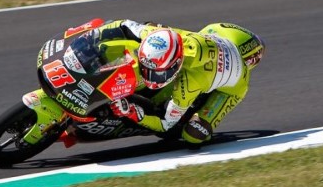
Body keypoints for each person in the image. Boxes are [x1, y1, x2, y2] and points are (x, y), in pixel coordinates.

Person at [96, 19, 265, 145]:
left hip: (234, 84)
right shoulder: (164, 37)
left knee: (194, 134)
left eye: (156, 74)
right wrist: (98, 33)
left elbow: (165, 124)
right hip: (215, 35)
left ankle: (200, 116)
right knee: (149, 24)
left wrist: (133, 113)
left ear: (175, 67)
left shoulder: (190, 83)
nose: (148, 76)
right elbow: (125, 25)